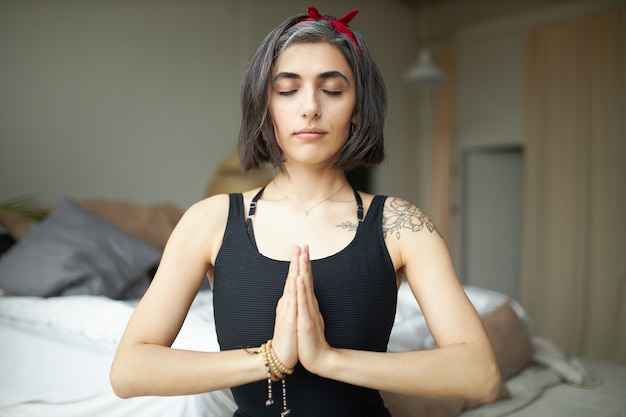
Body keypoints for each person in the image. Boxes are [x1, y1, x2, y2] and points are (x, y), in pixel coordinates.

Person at [110, 6, 500, 417]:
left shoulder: (401, 225)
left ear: (357, 107)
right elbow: (129, 370)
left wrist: (328, 358)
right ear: (265, 106)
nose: (310, 107)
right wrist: (272, 358)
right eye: (287, 90)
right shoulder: (208, 221)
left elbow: (481, 374)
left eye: (332, 90)